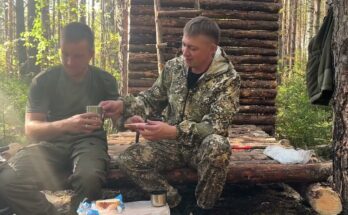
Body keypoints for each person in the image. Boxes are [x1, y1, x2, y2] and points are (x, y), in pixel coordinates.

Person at [100, 16, 240, 215]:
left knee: (218, 146)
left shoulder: (228, 79)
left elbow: (216, 126)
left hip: (201, 146)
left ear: (211, 49)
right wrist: (123, 106)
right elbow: (151, 99)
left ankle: (203, 208)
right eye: (183, 45)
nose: (185, 52)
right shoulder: (174, 68)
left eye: (193, 48)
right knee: (128, 159)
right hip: (171, 146)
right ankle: (176, 204)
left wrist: (174, 132)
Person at [0, 22, 119, 215]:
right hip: (50, 144)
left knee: (89, 178)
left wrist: (122, 114)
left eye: (78, 56)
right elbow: (31, 128)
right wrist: (68, 124)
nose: (70, 62)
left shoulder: (104, 80)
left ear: (91, 54)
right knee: (8, 180)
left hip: (89, 142)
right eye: (65, 54)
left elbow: (119, 120)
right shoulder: (44, 81)